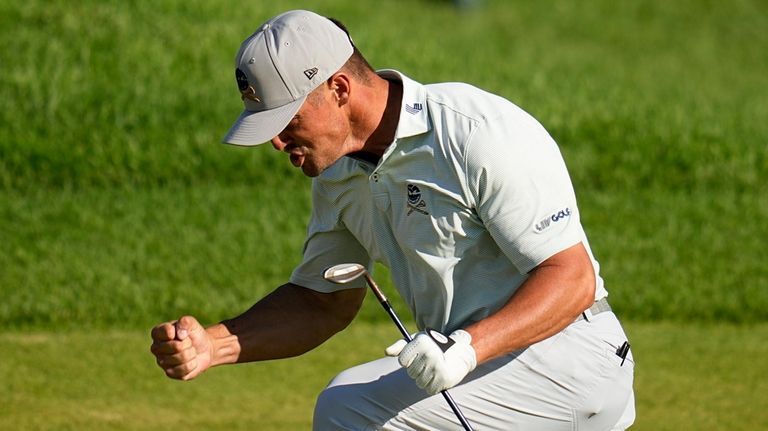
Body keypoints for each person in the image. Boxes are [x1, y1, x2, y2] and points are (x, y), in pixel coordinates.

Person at [150, 9, 635, 430]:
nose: (277, 143)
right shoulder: (337, 174)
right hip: (475, 366)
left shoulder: (473, 132)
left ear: (338, 89)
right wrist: (213, 345)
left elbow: (573, 280)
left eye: (286, 121)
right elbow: (324, 302)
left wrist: (465, 348)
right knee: (351, 403)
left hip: (571, 361)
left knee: (348, 409)